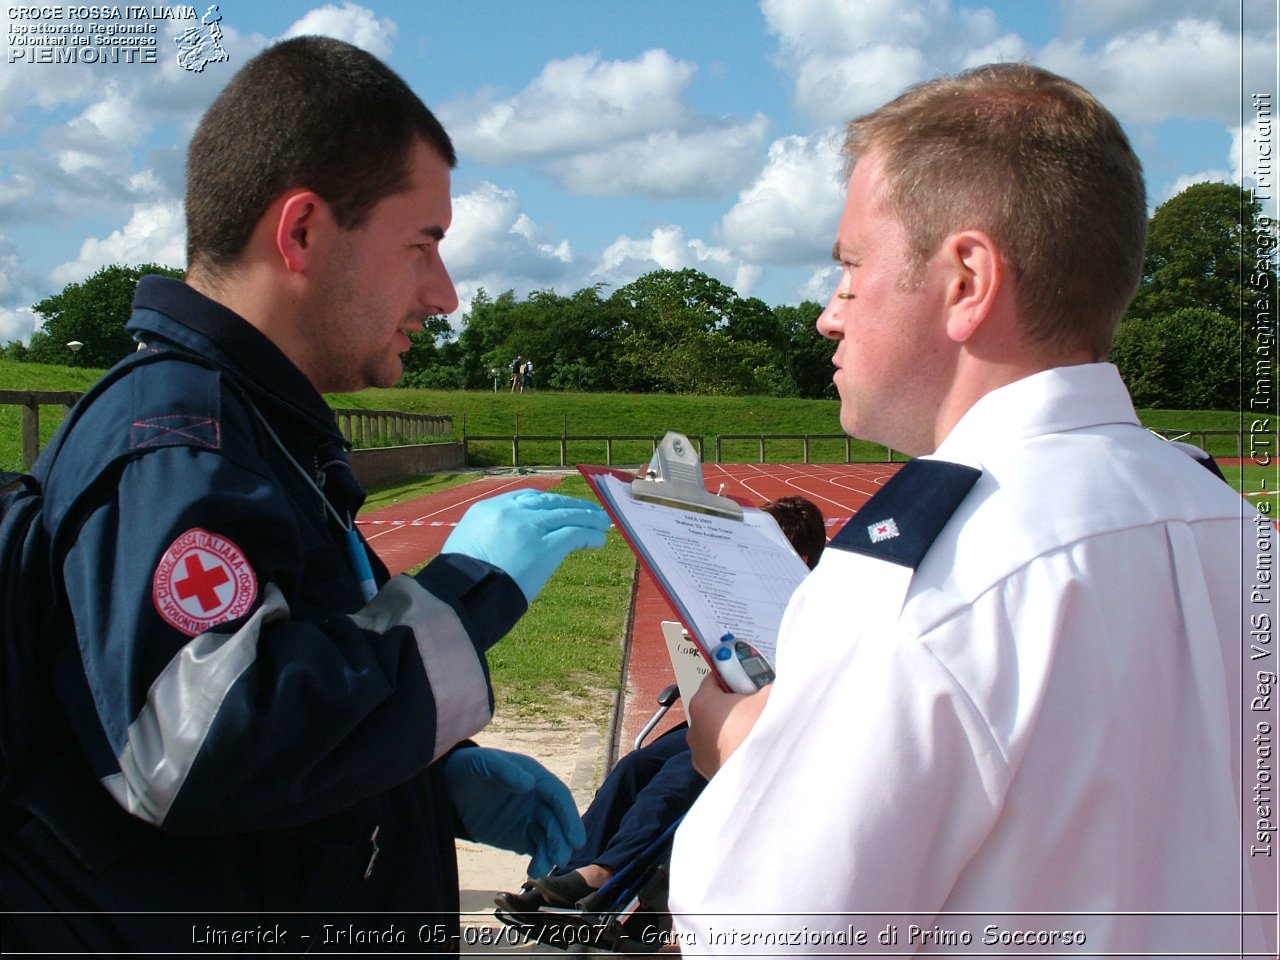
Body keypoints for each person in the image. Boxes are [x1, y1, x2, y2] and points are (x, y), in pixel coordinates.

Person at [0, 37, 612, 954]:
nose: (444, 294)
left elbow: (268, 731)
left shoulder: (251, 432)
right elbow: (196, 746)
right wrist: (466, 591)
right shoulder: (179, 437)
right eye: (424, 246)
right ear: (302, 233)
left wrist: (429, 781)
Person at [668, 63, 1269, 955]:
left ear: (966, 280)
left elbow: (766, 936)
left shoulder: (917, 582)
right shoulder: (1241, 534)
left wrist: (739, 755)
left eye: (851, 268)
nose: (830, 316)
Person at [496, 496, 826, 912]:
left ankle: (606, 875)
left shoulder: (816, 609)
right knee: (633, 767)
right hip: (720, 714)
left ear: (801, 556)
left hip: (768, 733)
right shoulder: (746, 599)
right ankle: (564, 871)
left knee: (678, 775)